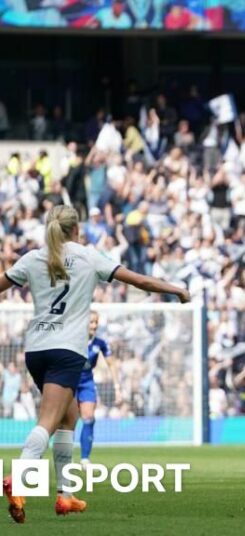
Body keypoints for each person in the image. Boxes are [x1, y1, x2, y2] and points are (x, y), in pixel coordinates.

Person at [0, 205, 189, 524]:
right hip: (67, 351)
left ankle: (65, 494)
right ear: (77, 229)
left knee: (68, 417)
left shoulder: (32, 258)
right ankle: (19, 480)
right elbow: (140, 281)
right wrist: (176, 289)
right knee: (48, 420)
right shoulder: (88, 256)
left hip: (36, 350)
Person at [77, 311, 121, 465]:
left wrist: (117, 387)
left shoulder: (100, 343)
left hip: (87, 383)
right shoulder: (73, 340)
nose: (94, 326)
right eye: (91, 322)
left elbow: (111, 364)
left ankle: (84, 458)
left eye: (96, 322)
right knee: (62, 421)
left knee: (88, 417)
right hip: (69, 382)